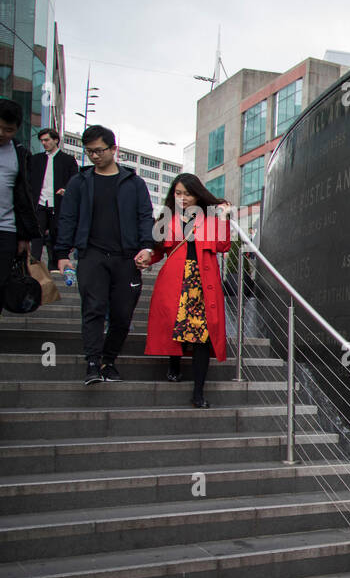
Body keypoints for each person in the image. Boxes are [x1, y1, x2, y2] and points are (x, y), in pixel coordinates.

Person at [54, 125, 154, 384]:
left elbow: (145, 217)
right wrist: (62, 252)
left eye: (99, 150)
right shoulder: (79, 182)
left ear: (113, 149)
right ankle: (92, 362)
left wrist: (147, 247)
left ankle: (109, 361)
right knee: (94, 309)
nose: (94, 156)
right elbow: (67, 218)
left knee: (122, 314)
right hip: (91, 255)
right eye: (89, 152)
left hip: (126, 257)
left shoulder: (135, 184)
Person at [136, 174, 231, 408]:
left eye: (187, 193)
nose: (183, 198)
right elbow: (158, 250)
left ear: (198, 194)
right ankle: (174, 362)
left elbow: (223, 245)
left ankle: (198, 392)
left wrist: (224, 218)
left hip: (202, 282)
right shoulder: (166, 219)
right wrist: (146, 256)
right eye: (178, 193)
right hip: (174, 281)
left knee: (202, 337)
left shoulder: (210, 218)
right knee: (174, 324)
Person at [0, 99, 41, 304]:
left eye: (7, 130)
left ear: (16, 129)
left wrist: (24, 236)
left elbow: (25, 197)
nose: (1, 133)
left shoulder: (20, 153)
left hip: (6, 231)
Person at [26, 127, 77, 269]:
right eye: (41, 140)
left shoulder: (67, 160)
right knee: (37, 235)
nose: (44, 143)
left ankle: (54, 268)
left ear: (56, 140)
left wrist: (66, 190)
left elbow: (74, 180)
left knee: (55, 236)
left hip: (58, 204)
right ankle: (34, 267)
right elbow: (29, 181)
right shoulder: (36, 160)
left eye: (47, 140)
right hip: (40, 203)